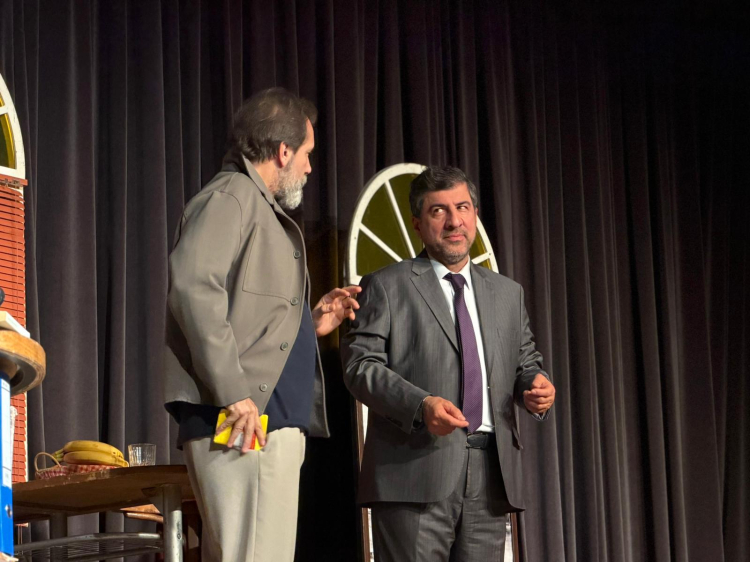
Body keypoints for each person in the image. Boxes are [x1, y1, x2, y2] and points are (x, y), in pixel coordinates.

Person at [163, 87, 360, 562]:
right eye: (307, 153)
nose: (309, 168)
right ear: (283, 151)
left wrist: (308, 324)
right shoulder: (231, 197)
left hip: (268, 420)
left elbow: (246, 312)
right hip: (242, 418)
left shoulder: (256, 206)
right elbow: (193, 287)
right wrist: (234, 392)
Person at [342, 166, 556, 561]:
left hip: (490, 477)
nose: (454, 221)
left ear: (475, 214)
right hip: (413, 474)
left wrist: (536, 384)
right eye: (438, 211)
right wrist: (421, 405)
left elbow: (525, 362)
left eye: (462, 207)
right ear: (418, 224)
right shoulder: (386, 285)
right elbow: (361, 367)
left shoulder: (507, 293)